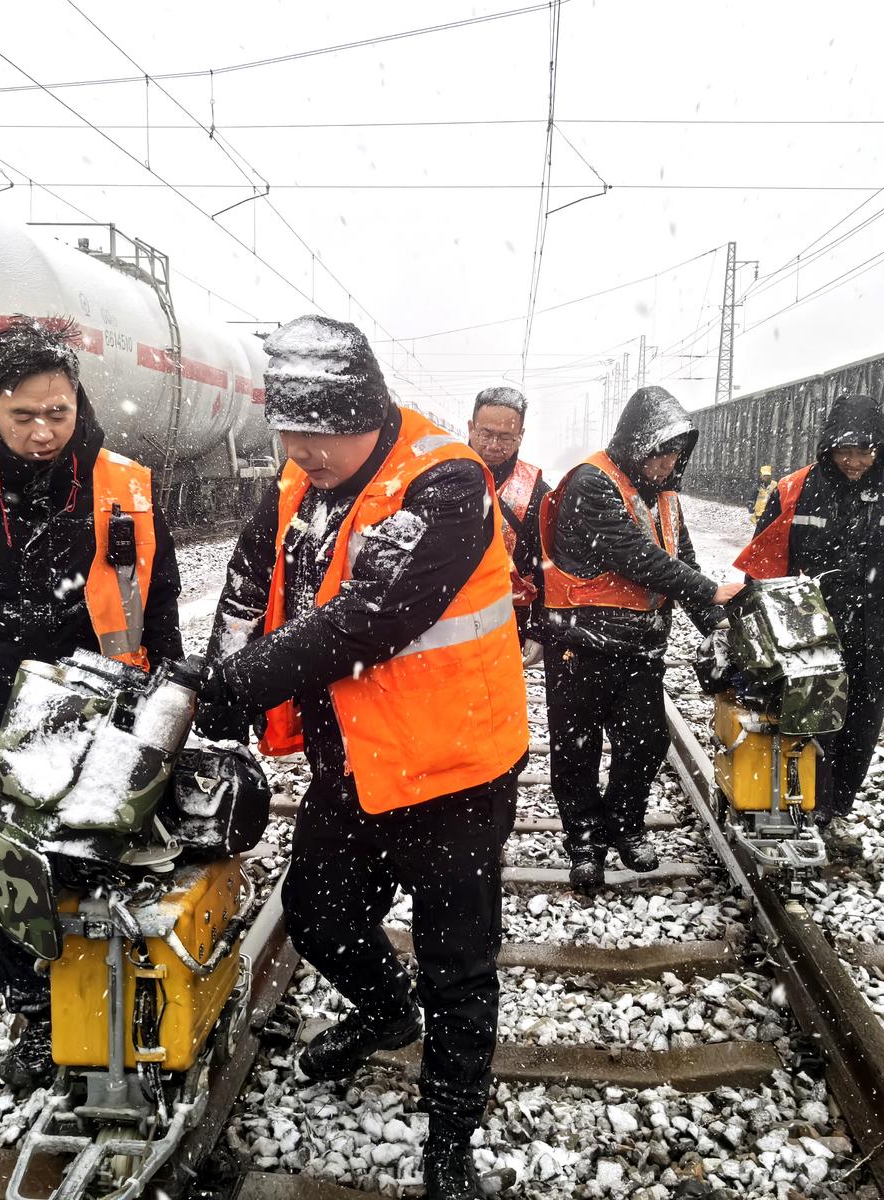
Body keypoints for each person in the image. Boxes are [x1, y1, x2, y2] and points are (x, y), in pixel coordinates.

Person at [195, 315, 528, 1200]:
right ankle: (385, 1013)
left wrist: (236, 686)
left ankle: (451, 1134)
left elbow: (366, 619)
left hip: (456, 771)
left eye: (319, 434)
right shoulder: (303, 483)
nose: (301, 453)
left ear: (371, 412)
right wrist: (211, 680)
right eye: (288, 434)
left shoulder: (446, 485)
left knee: (459, 962)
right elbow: (246, 585)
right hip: (356, 764)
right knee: (318, 916)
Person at [0, 317, 182, 1086]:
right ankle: (34, 1011)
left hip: (100, 717)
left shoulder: (123, 483)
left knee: (99, 862)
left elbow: (158, 599)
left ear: (77, 402)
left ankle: (111, 1006)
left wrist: (168, 696)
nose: (44, 431)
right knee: (4, 873)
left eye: (59, 412)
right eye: (25, 416)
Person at [540, 386, 743, 892]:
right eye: (659, 452)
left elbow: (681, 563)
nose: (667, 463)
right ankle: (584, 840)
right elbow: (638, 558)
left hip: (639, 647)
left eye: (675, 453)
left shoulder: (667, 499)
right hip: (580, 645)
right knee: (576, 748)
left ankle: (623, 824)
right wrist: (714, 590)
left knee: (645, 742)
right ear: (635, 444)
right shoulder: (593, 482)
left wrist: (712, 620)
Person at [734, 393, 884, 840]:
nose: (853, 461)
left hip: (883, 631)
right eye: (845, 451)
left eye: (864, 451)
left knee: (864, 724)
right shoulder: (794, 490)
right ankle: (813, 806)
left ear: (881, 449)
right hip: (811, 633)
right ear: (828, 448)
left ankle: (836, 804)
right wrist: (753, 624)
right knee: (813, 721)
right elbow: (766, 562)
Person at [466, 386, 550, 651]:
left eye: (505, 438)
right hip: (447, 614)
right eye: (486, 434)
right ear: (471, 427)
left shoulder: (537, 491)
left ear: (520, 436)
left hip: (511, 619)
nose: (493, 445)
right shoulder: (441, 472)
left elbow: (547, 565)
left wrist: (539, 627)